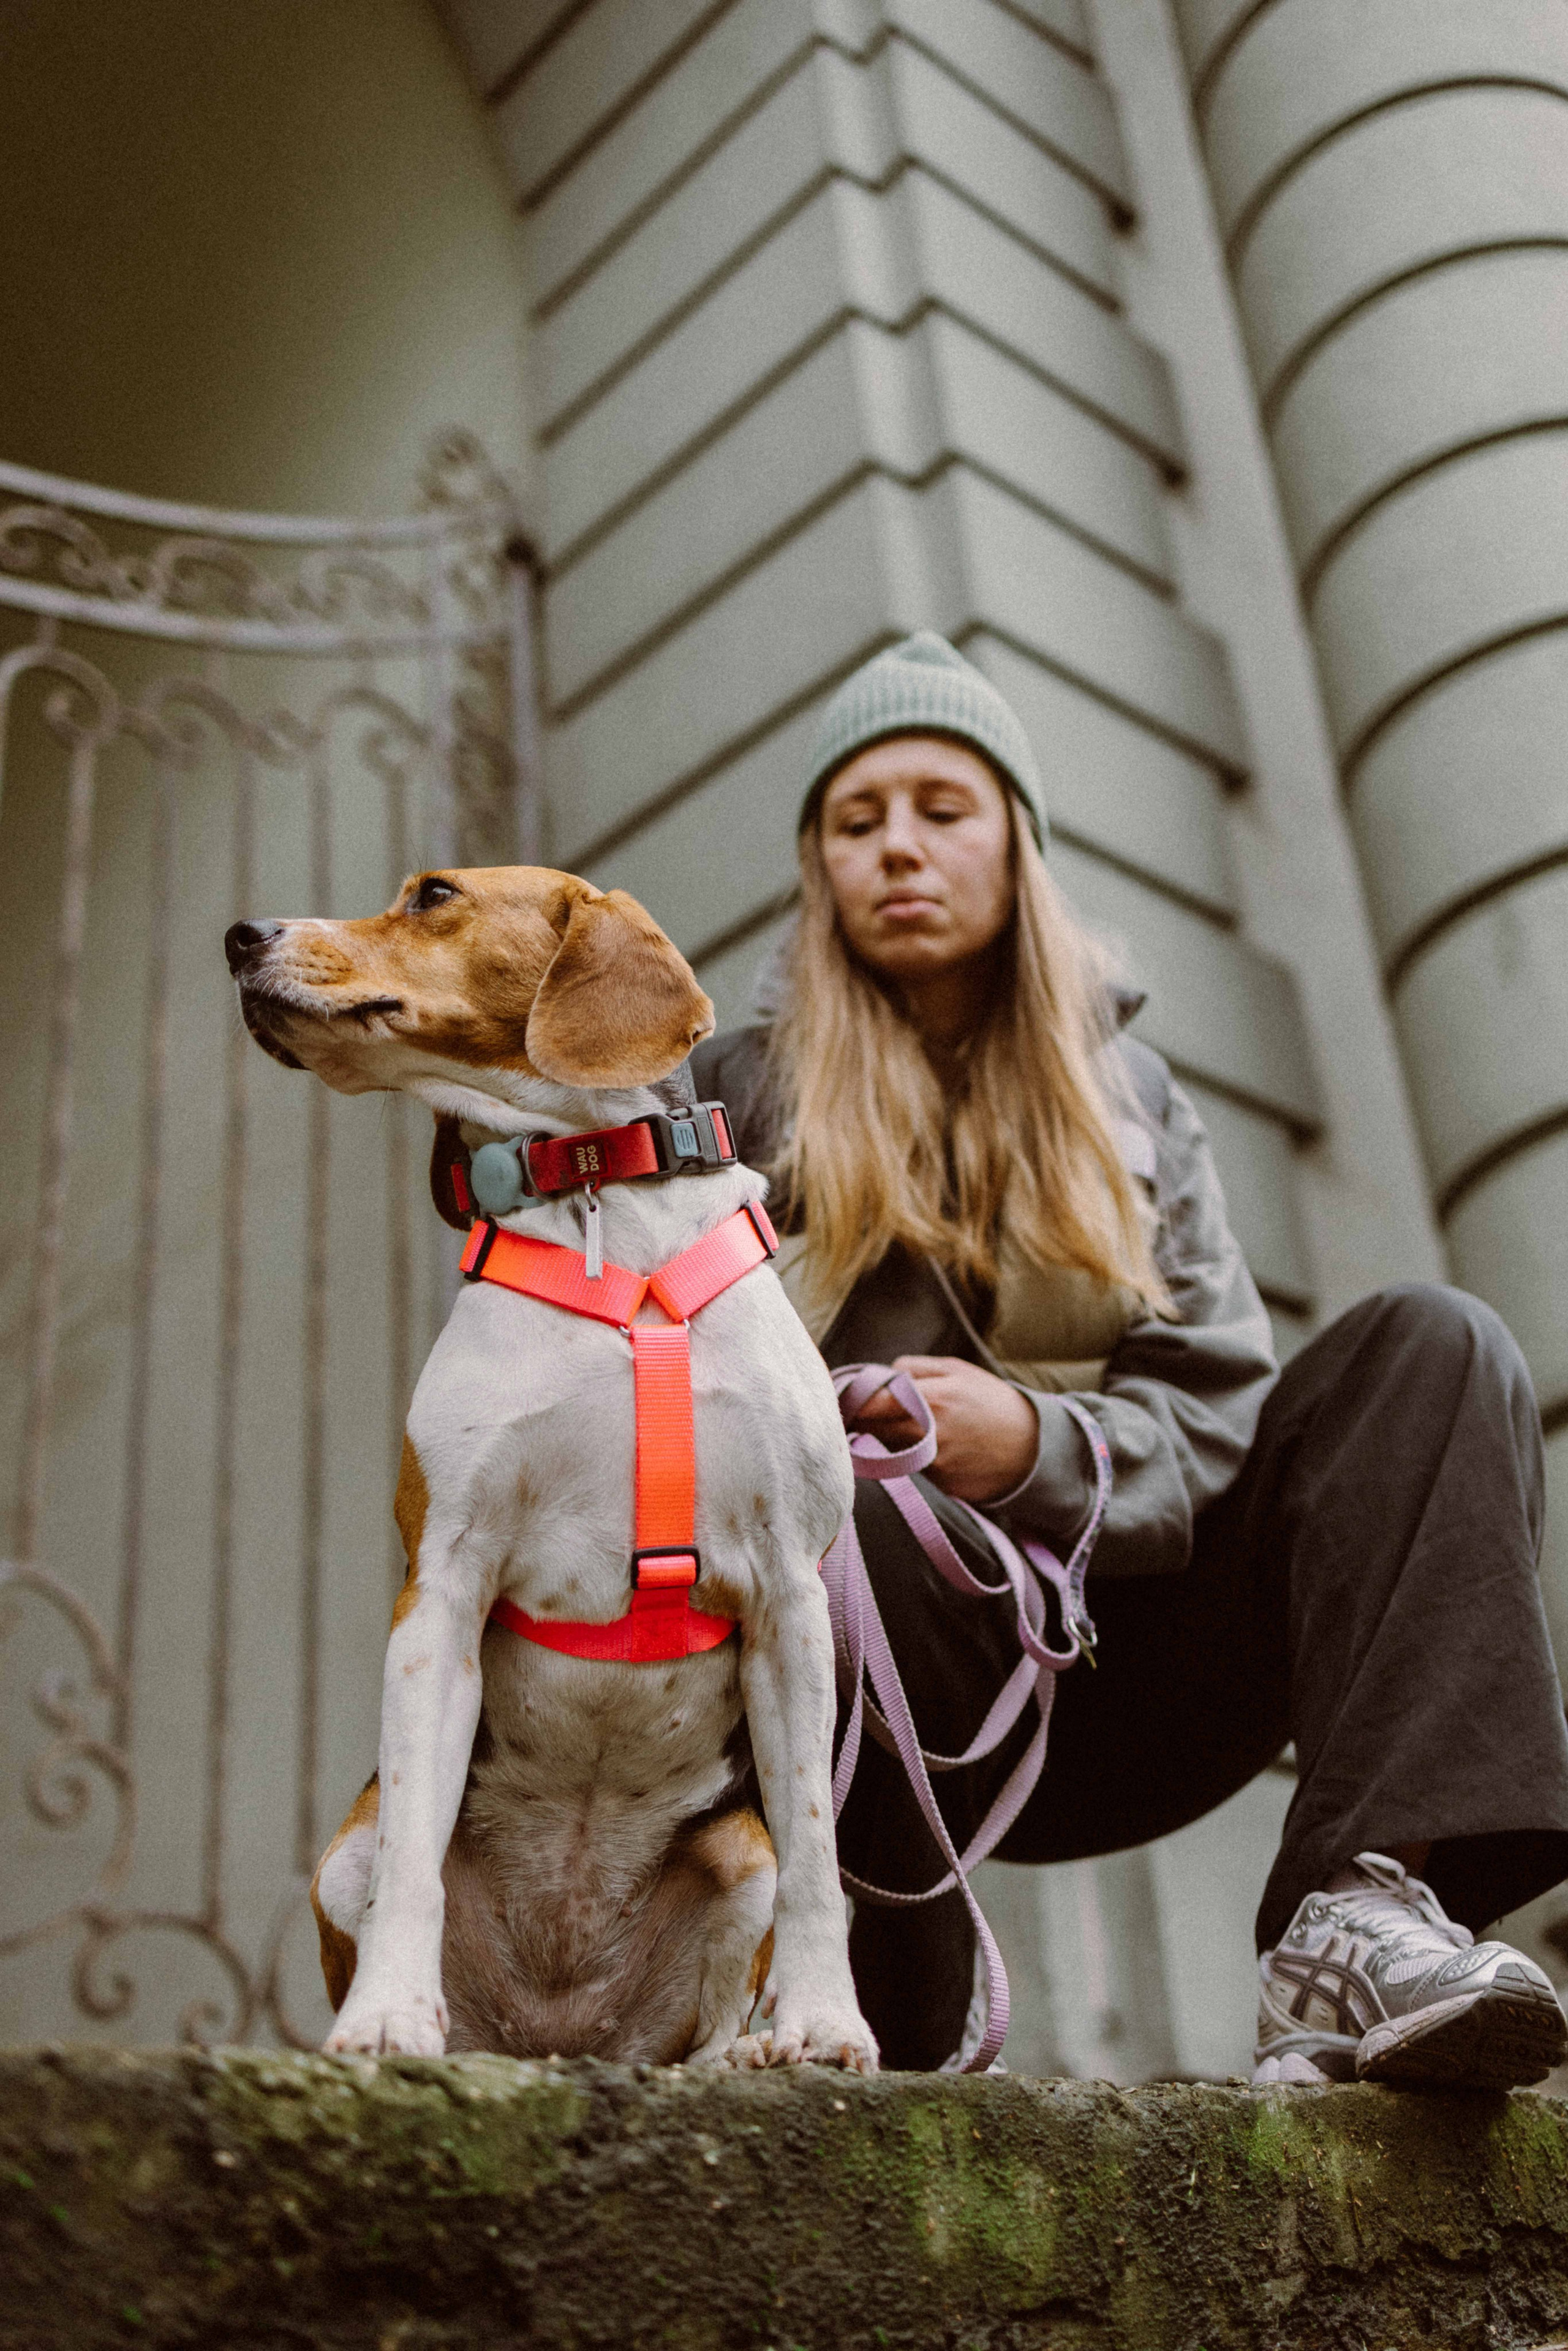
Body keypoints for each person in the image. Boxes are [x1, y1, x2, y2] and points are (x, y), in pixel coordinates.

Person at [690, 630, 1568, 2085]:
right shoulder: (732, 1090)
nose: (897, 848)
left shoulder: (1133, 1097)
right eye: (856, 823)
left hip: (1128, 1658)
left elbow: (1216, 1400)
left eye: (939, 808)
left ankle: (1353, 1927)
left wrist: (1036, 1448)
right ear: (818, 871)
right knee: (831, 1511)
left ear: (1016, 846)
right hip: (868, 1673)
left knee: (1433, 1342)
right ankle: (867, 1983)